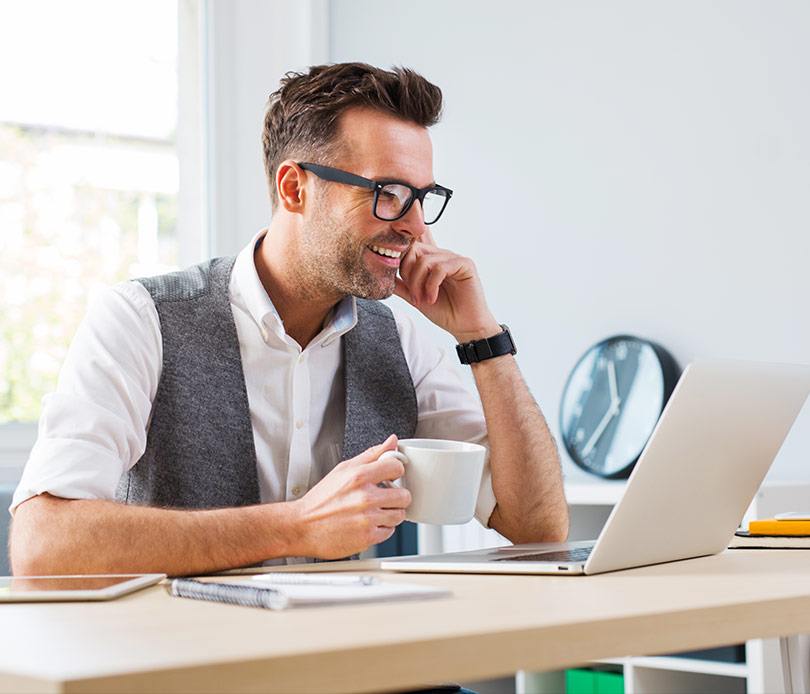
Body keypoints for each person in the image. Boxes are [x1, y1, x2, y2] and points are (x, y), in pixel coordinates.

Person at [10, 63, 568, 577]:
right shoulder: (142, 319)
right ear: (294, 188)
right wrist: (295, 524)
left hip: (351, 669)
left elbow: (537, 527)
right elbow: (44, 546)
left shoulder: (397, 339)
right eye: (389, 194)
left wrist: (483, 338)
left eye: (423, 197)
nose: (416, 228)